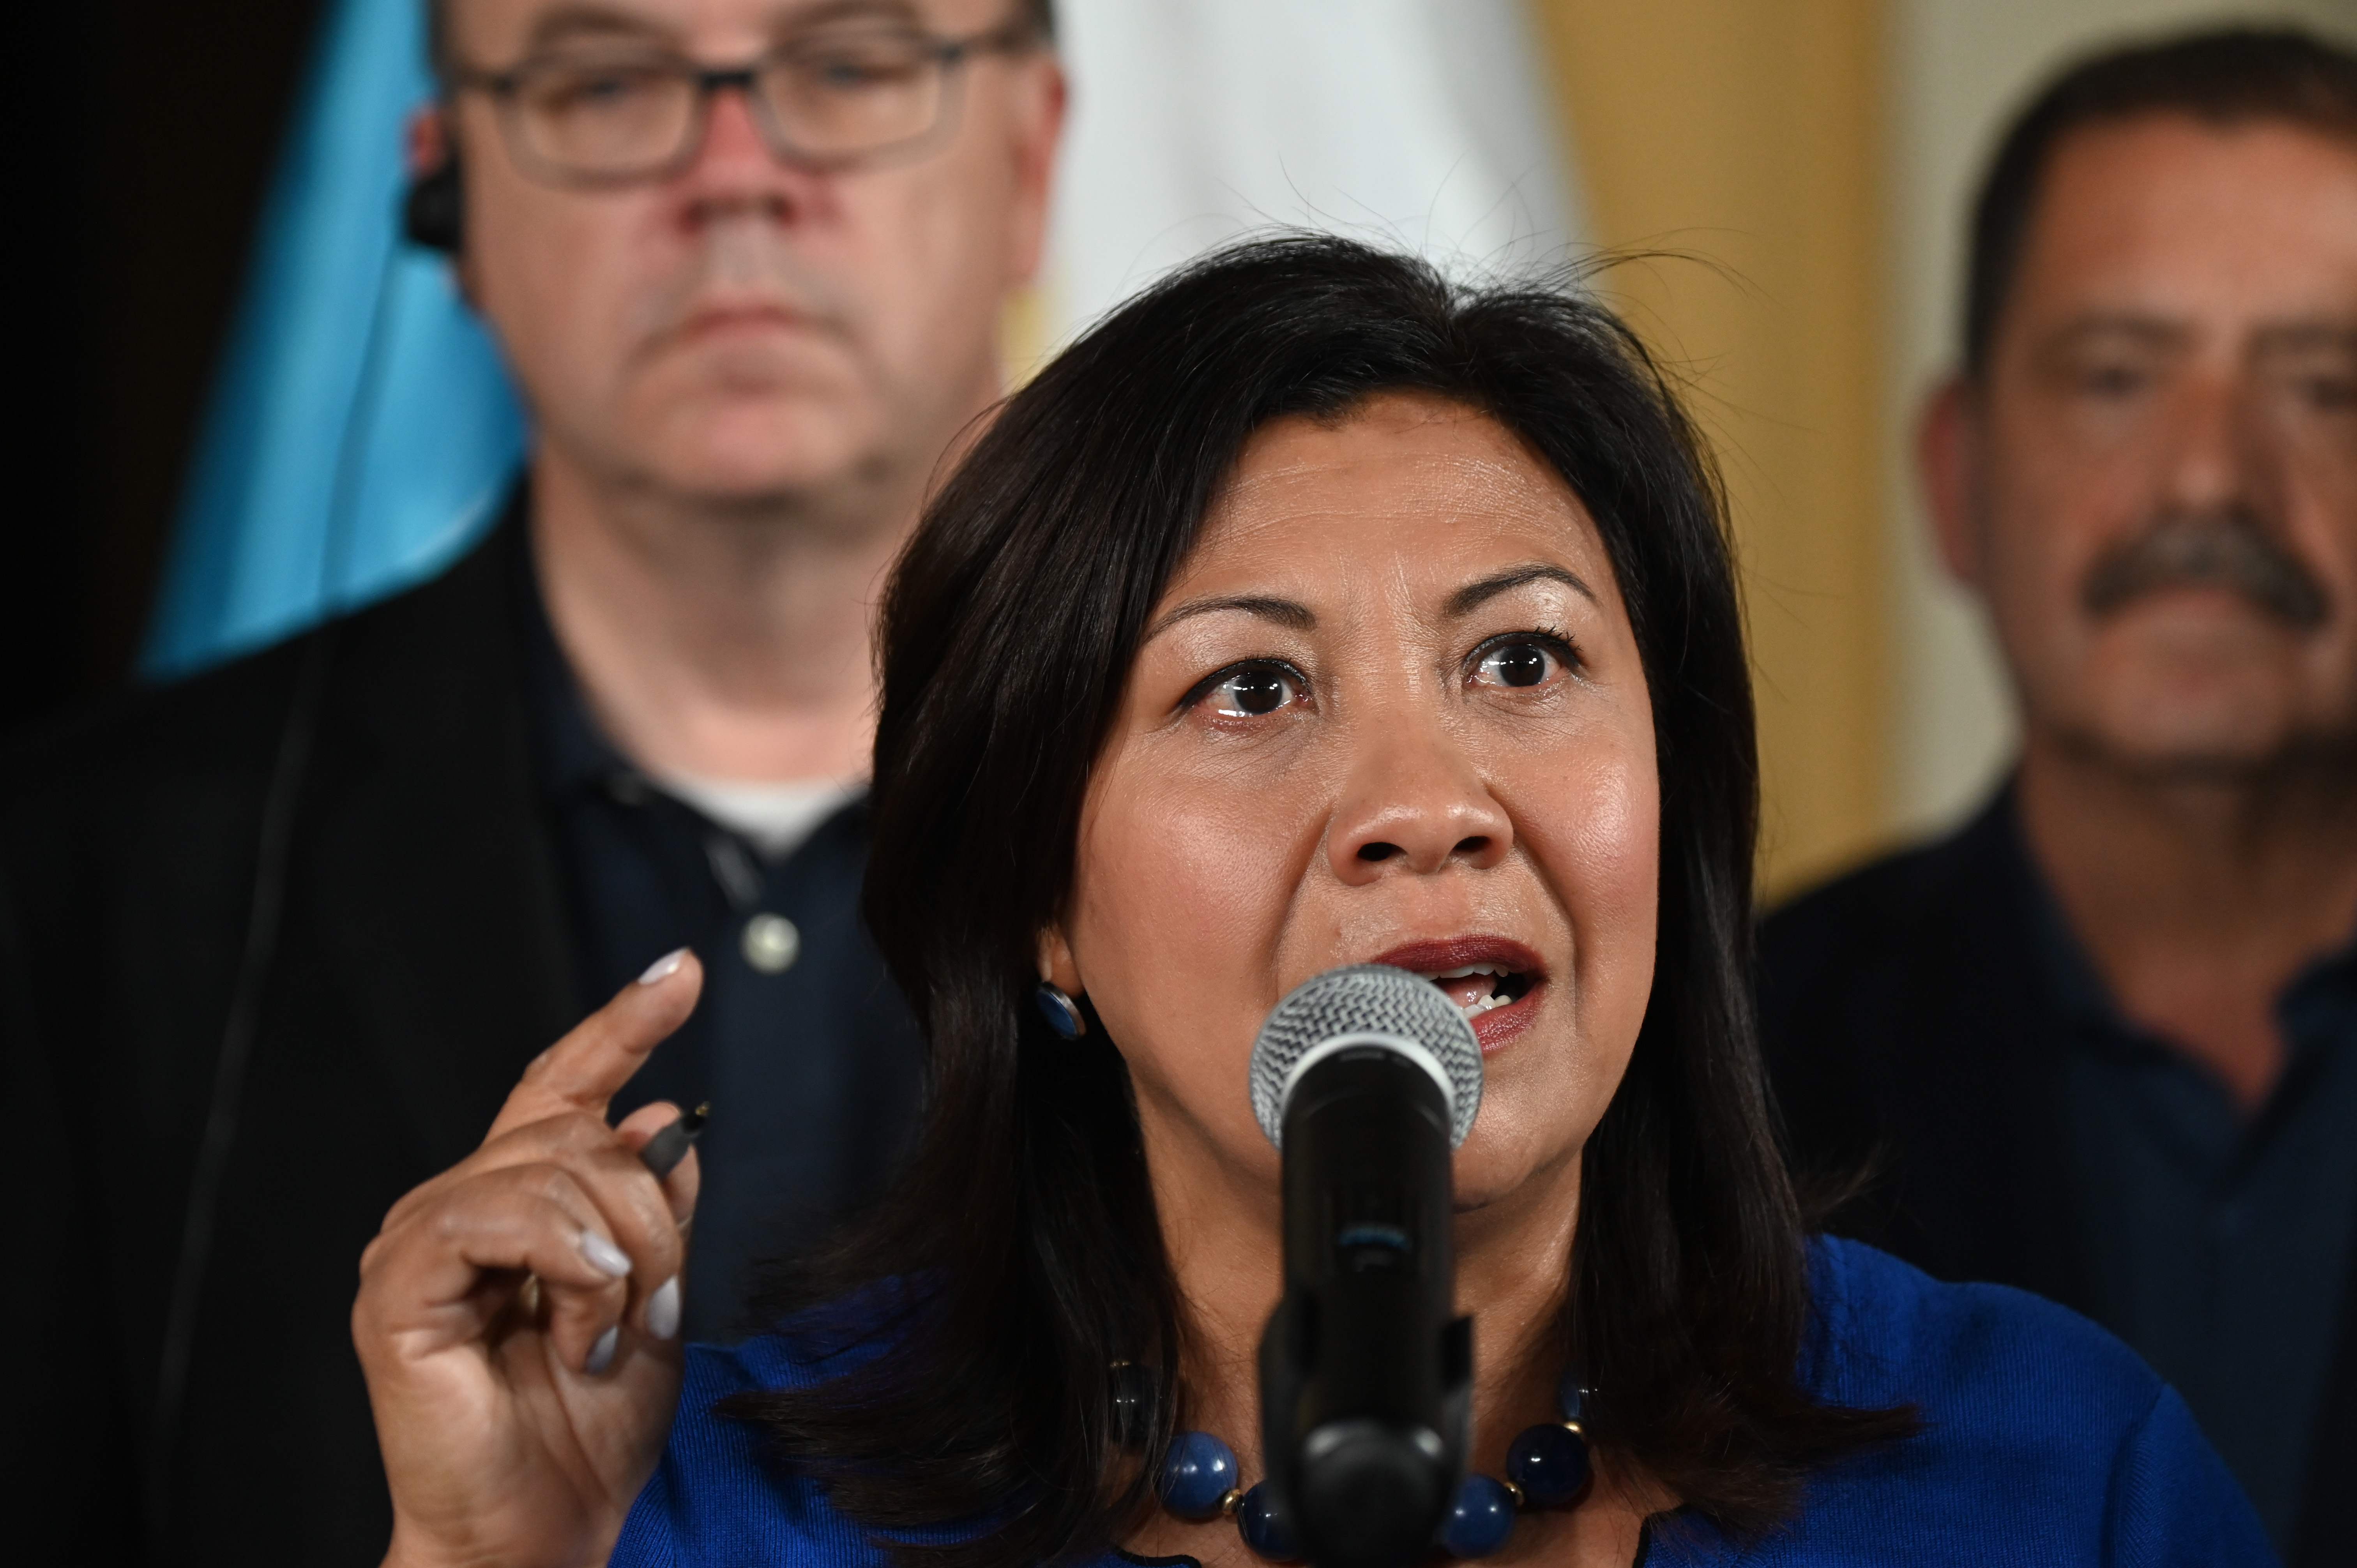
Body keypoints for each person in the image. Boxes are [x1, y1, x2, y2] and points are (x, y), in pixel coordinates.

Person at [350, 238, 2269, 1568]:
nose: (1428, 806)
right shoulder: (722, 1515)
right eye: (1251, 689)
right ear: (1036, 896)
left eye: (1523, 663)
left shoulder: (2051, 1475)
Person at [0, 1, 1063, 1563]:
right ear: (445, 194)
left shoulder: (1320, 842)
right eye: (608, 83)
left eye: (849, 67)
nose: (735, 171)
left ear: (1031, 153)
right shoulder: (71, 881)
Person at [1755, 28, 2357, 1565]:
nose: (2210, 483)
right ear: (1956, 477)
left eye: (2329, 389)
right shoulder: (1721, 1060)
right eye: (2114, 377)